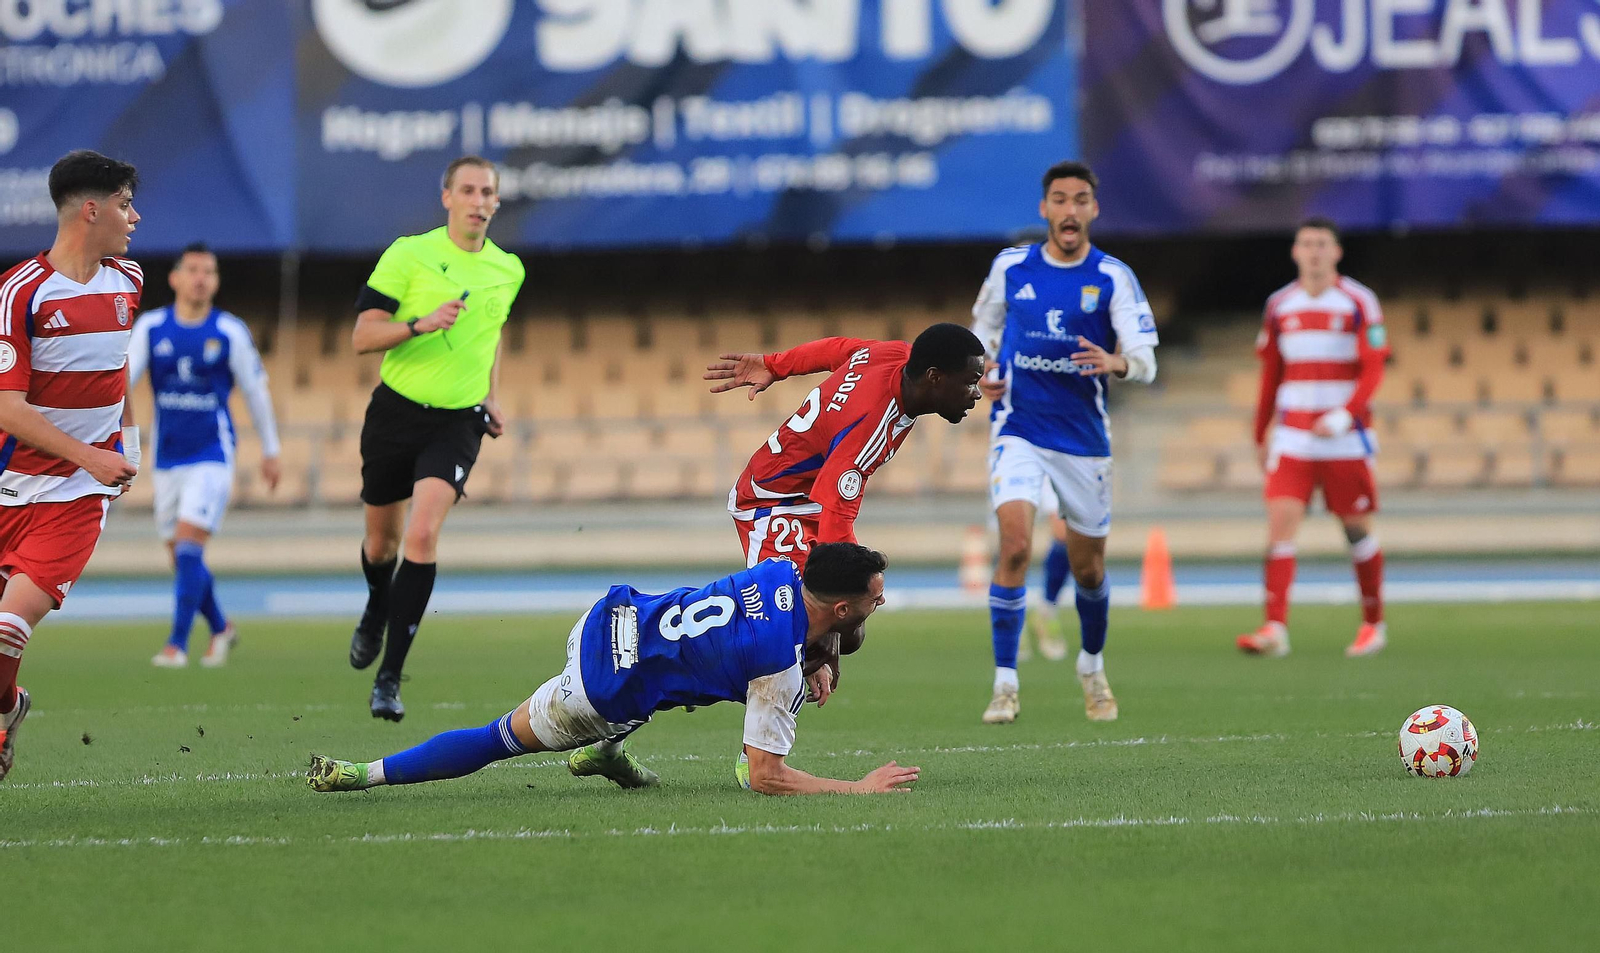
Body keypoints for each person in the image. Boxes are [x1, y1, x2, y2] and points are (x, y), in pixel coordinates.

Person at [307, 543, 921, 796]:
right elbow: (764, 776)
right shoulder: (777, 669)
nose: (882, 602)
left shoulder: (781, 569)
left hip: (611, 617)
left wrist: (819, 656)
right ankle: (362, 774)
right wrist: (856, 788)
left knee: (676, 674)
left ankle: (604, 754)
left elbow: (805, 620)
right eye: (875, 597)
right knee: (498, 739)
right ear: (843, 609)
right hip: (601, 686)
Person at [969, 159, 1160, 726]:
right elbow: (981, 332)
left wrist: (1117, 362)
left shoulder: (1113, 277)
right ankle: (1005, 684)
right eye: (1060, 199)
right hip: (1019, 427)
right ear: (1044, 208)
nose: (1070, 210)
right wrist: (980, 371)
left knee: (1089, 571)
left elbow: (1146, 359)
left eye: (1080, 200)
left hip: (1082, 439)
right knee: (1014, 547)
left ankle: (1091, 666)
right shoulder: (1011, 267)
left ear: (1093, 209)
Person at [348, 155, 525, 721]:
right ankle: (377, 604)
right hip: (395, 414)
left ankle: (389, 678)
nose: (478, 201)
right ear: (446, 197)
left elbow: (491, 335)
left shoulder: (508, 269)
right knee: (382, 546)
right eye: (467, 190)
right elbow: (361, 336)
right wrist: (419, 324)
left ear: (497, 202)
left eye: (487, 192)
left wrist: (490, 395)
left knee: (422, 535)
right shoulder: (409, 254)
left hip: (457, 423)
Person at [0, 150, 142, 782]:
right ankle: (10, 709)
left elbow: (116, 364)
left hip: (75, 498)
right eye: (125, 204)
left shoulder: (128, 281)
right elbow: (7, 408)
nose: (134, 217)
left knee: (8, 626)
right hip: (11, 487)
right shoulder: (20, 292)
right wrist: (93, 453)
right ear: (91, 209)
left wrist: (127, 443)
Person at [707, 323, 985, 570]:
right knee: (802, 604)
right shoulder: (870, 425)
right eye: (971, 382)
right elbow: (835, 523)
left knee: (840, 603)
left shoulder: (896, 354)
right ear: (934, 377)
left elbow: (835, 349)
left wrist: (775, 365)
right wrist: (857, 582)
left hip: (809, 498)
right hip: (772, 501)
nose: (977, 393)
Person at [1236, 218, 1389, 659]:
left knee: (1356, 529)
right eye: (1307, 243)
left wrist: (1345, 415)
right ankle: (1275, 628)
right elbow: (1271, 373)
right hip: (1294, 438)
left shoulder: (1359, 301)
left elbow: (1374, 367)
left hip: (1345, 440)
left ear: (1336, 252)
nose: (1314, 251)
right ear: (1295, 252)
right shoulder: (1280, 304)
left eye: (1322, 243)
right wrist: (1260, 431)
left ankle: (1373, 624)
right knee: (1280, 525)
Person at [129, 243, 281, 668]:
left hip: (212, 453)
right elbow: (123, 380)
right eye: (193, 270)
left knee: (188, 549)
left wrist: (271, 450)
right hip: (166, 457)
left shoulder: (229, 331)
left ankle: (176, 645)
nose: (201, 278)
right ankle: (221, 627)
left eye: (208, 272)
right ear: (175, 278)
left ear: (215, 281)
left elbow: (255, 391)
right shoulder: (151, 327)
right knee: (181, 557)